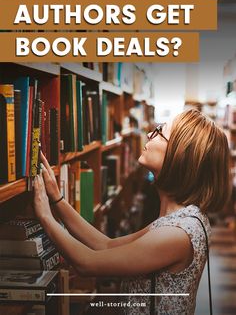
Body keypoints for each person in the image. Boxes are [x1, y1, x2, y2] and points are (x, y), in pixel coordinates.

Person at [34, 109, 231, 314]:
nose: (148, 135)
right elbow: (104, 245)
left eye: (159, 131)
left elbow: (87, 263)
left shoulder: (177, 233)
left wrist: (46, 217)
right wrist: (57, 199)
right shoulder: (181, 219)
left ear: (180, 155)